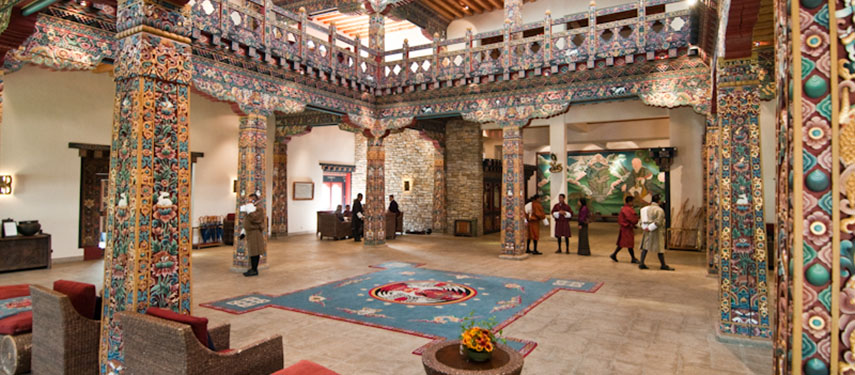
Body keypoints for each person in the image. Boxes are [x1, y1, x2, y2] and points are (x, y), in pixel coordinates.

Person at [639, 194, 674, 270]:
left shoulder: (645, 209)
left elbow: (641, 220)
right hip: (656, 231)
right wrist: (651, 227)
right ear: (658, 201)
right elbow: (659, 222)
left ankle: (641, 263)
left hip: (646, 230)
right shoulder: (659, 210)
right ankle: (663, 264)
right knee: (660, 248)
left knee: (645, 246)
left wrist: (645, 227)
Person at [239, 193, 265, 277]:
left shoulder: (259, 209)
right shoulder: (251, 208)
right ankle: (253, 268)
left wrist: (250, 209)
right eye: (248, 200)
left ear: (255, 200)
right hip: (250, 232)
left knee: (255, 251)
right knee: (252, 251)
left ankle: (254, 270)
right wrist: (243, 232)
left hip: (255, 233)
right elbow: (247, 220)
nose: (249, 202)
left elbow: (255, 219)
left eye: (251, 200)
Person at [611, 196, 640, 263]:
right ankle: (633, 258)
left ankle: (614, 254)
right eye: (633, 201)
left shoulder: (625, 208)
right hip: (626, 229)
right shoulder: (627, 209)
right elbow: (632, 219)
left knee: (623, 243)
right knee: (628, 243)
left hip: (626, 228)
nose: (633, 203)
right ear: (629, 202)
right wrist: (634, 223)